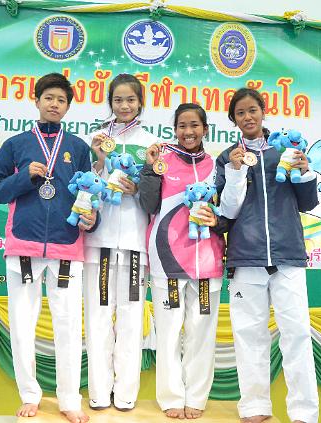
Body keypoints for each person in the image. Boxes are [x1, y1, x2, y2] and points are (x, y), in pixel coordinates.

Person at [0, 73, 96, 423]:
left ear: (68, 106)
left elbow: (88, 193)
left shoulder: (78, 148)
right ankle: (30, 395)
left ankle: (69, 399)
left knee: (68, 325)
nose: (54, 104)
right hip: (24, 245)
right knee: (22, 325)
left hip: (66, 246)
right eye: (49, 98)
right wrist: (24, 177)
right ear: (36, 101)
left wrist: (90, 216)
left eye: (61, 100)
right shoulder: (16, 145)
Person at [215, 88, 319, 423]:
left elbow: (308, 203)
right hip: (246, 257)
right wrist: (234, 171)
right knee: (249, 336)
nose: (247, 117)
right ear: (233, 119)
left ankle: (304, 412)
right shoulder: (228, 157)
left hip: (288, 256)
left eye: (252, 110)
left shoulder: (286, 149)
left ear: (263, 111)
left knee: (297, 333)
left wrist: (305, 171)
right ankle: (254, 406)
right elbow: (228, 211)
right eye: (240, 113)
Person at [139, 103, 227, 420]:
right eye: (182, 126)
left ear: (205, 129)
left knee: (201, 335)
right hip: (168, 262)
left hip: (207, 262)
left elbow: (228, 213)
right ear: (174, 129)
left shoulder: (218, 166)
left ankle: (197, 398)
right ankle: (171, 397)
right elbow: (148, 205)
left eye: (194, 125)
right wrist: (150, 169)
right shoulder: (162, 161)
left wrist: (218, 222)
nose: (188, 132)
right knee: (168, 333)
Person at [83, 74, 159, 412]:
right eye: (118, 100)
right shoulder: (96, 139)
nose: (124, 105)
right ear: (110, 102)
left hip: (134, 244)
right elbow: (84, 186)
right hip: (98, 243)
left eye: (130, 99)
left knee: (130, 321)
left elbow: (157, 195)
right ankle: (99, 393)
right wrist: (99, 160)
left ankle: (126, 394)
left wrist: (139, 189)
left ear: (140, 102)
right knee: (98, 319)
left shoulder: (153, 143)